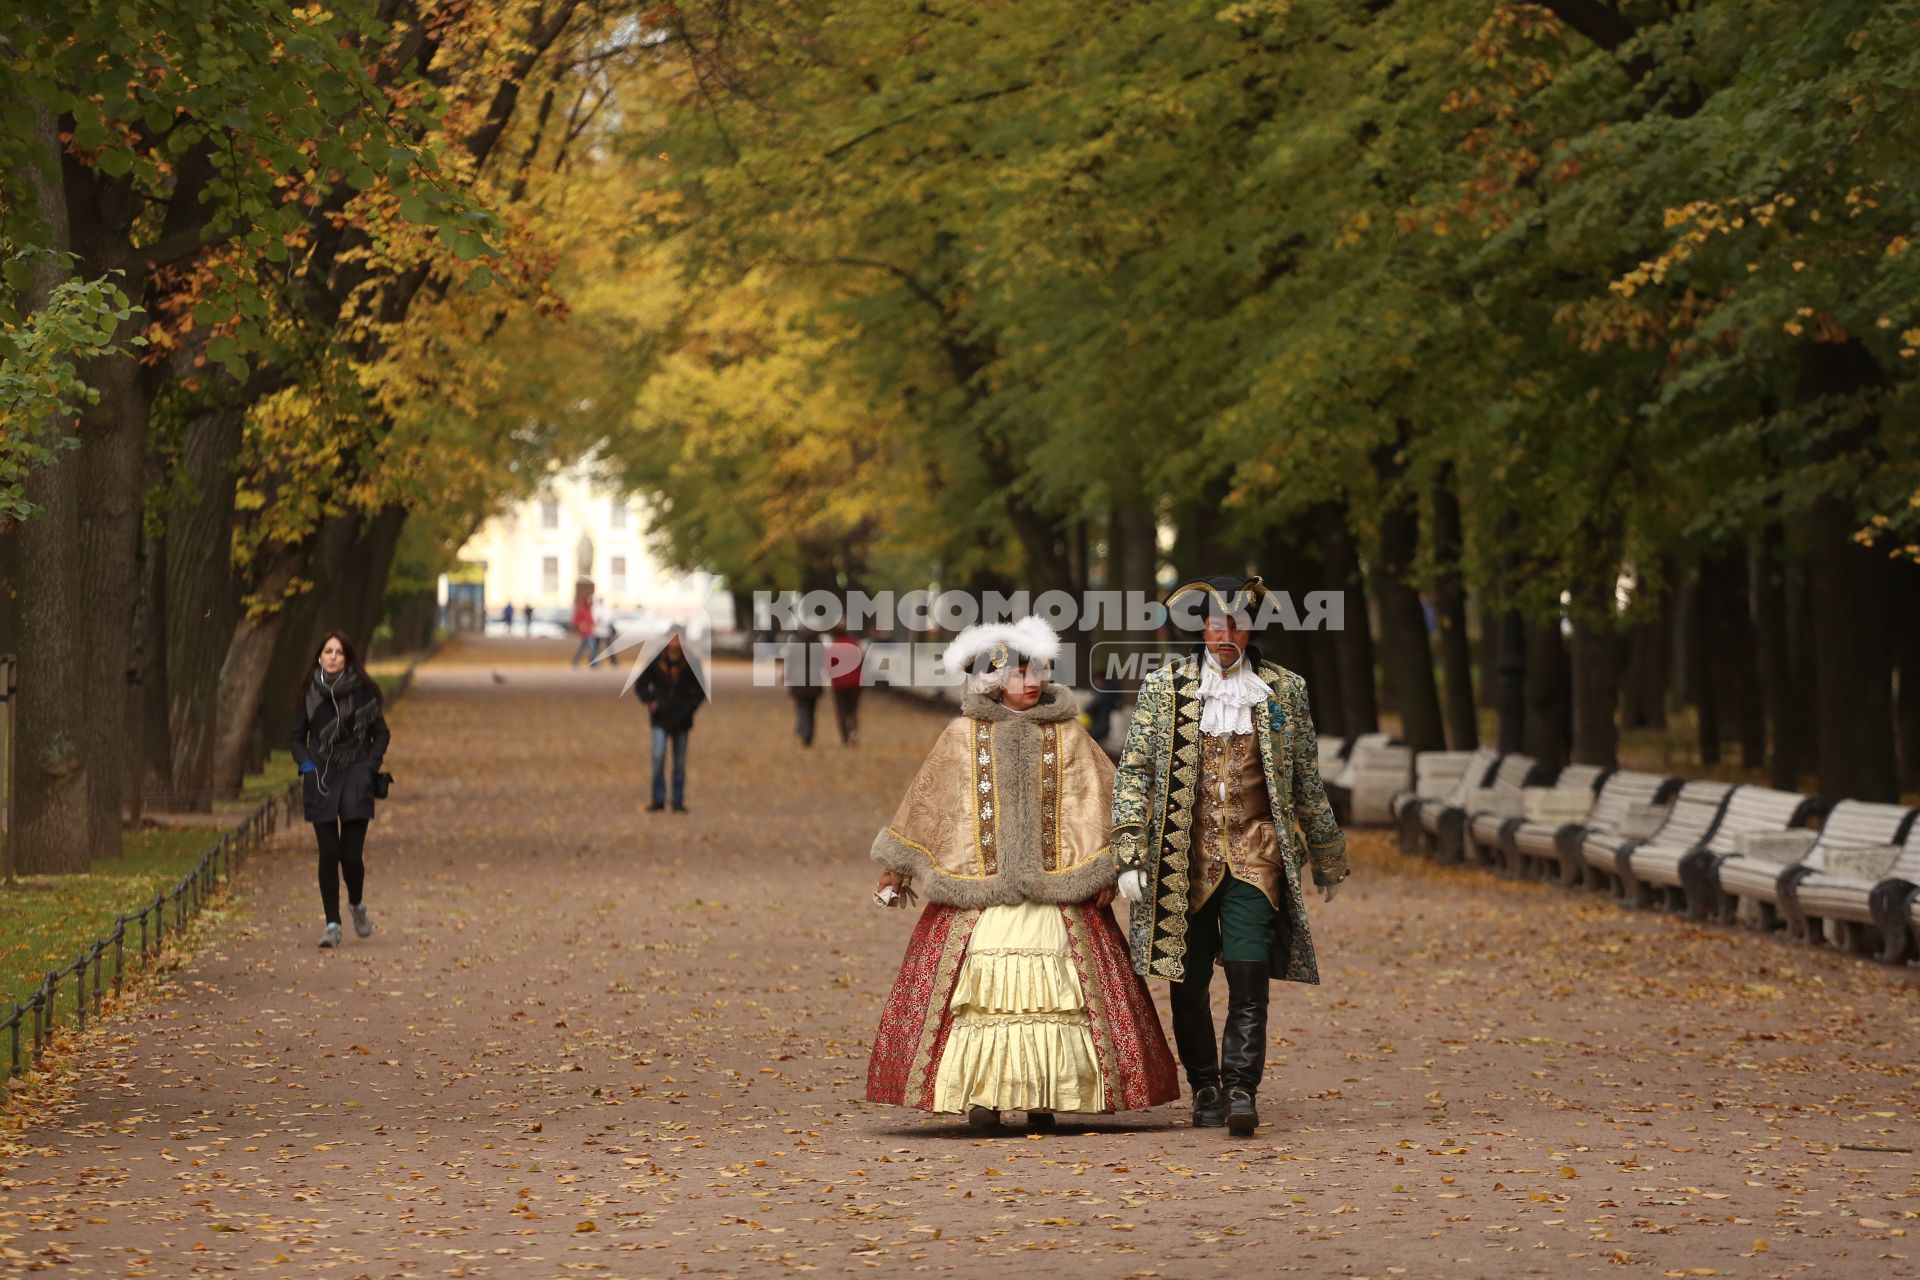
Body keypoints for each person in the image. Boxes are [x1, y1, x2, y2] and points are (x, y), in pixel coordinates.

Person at [867, 617, 1179, 1129]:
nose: (1031, 681)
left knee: (1060, 992)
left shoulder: (1069, 736)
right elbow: (930, 805)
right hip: (979, 894)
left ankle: (1044, 1098)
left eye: (1037, 671)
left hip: (1059, 893)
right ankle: (982, 1098)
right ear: (992, 681)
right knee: (982, 994)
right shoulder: (962, 736)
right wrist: (895, 871)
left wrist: (1109, 868)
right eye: (1018, 674)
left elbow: (1099, 799)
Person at [1111, 574, 1349, 1137]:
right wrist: (1128, 850)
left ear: (1253, 629)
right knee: (1187, 984)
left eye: (1238, 624)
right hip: (1181, 860)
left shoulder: (1283, 690)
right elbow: (1135, 772)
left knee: (1249, 977)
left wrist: (1328, 855)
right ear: (1202, 627)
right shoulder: (1165, 686)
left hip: (1257, 856)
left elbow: (1306, 781)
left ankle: (1242, 1087)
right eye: (1217, 623)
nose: (1226, 634)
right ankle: (1206, 1087)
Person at [290, 631, 392, 949]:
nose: (333, 656)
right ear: (319, 657)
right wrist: (307, 764)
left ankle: (357, 903)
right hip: (320, 778)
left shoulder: (363, 692)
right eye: (327, 651)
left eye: (339, 652)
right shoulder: (308, 694)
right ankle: (332, 924)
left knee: (350, 856)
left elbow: (381, 734)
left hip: (356, 778)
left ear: (347, 658)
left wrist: (369, 766)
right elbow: (296, 737)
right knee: (328, 853)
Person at [634, 630, 705, 812]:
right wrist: (650, 700)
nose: (674, 643)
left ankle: (677, 800)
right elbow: (641, 685)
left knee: (679, 763)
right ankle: (658, 799)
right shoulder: (656, 661)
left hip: (682, 719)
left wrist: (689, 708)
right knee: (658, 757)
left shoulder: (691, 662)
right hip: (660, 717)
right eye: (672, 639)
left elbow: (700, 690)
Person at [781, 628, 822, 746]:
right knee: (811, 710)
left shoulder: (796, 645)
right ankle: (808, 734)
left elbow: (790, 662)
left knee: (802, 708)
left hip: (798, 682)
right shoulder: (818, 645)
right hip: (814, 682)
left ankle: (803, 731)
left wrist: (786, 676)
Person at [826, 625, 863, 745]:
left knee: (841, 710)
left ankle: (845, 737)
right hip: (855, 683)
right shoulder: (854, 644)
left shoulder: (833, 647)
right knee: (853, 709)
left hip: (839, 684)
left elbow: (828, 665)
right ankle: (854, 731)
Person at [571, 593, 595, 668]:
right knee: (592, 648)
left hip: (590, 631)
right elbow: (575, 620)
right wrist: (581, 625)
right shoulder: (581, 609)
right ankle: (594, 663)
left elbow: (591, 620)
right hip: (585, 632)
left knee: (582, 649)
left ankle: (575, 661)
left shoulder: (589, 609)